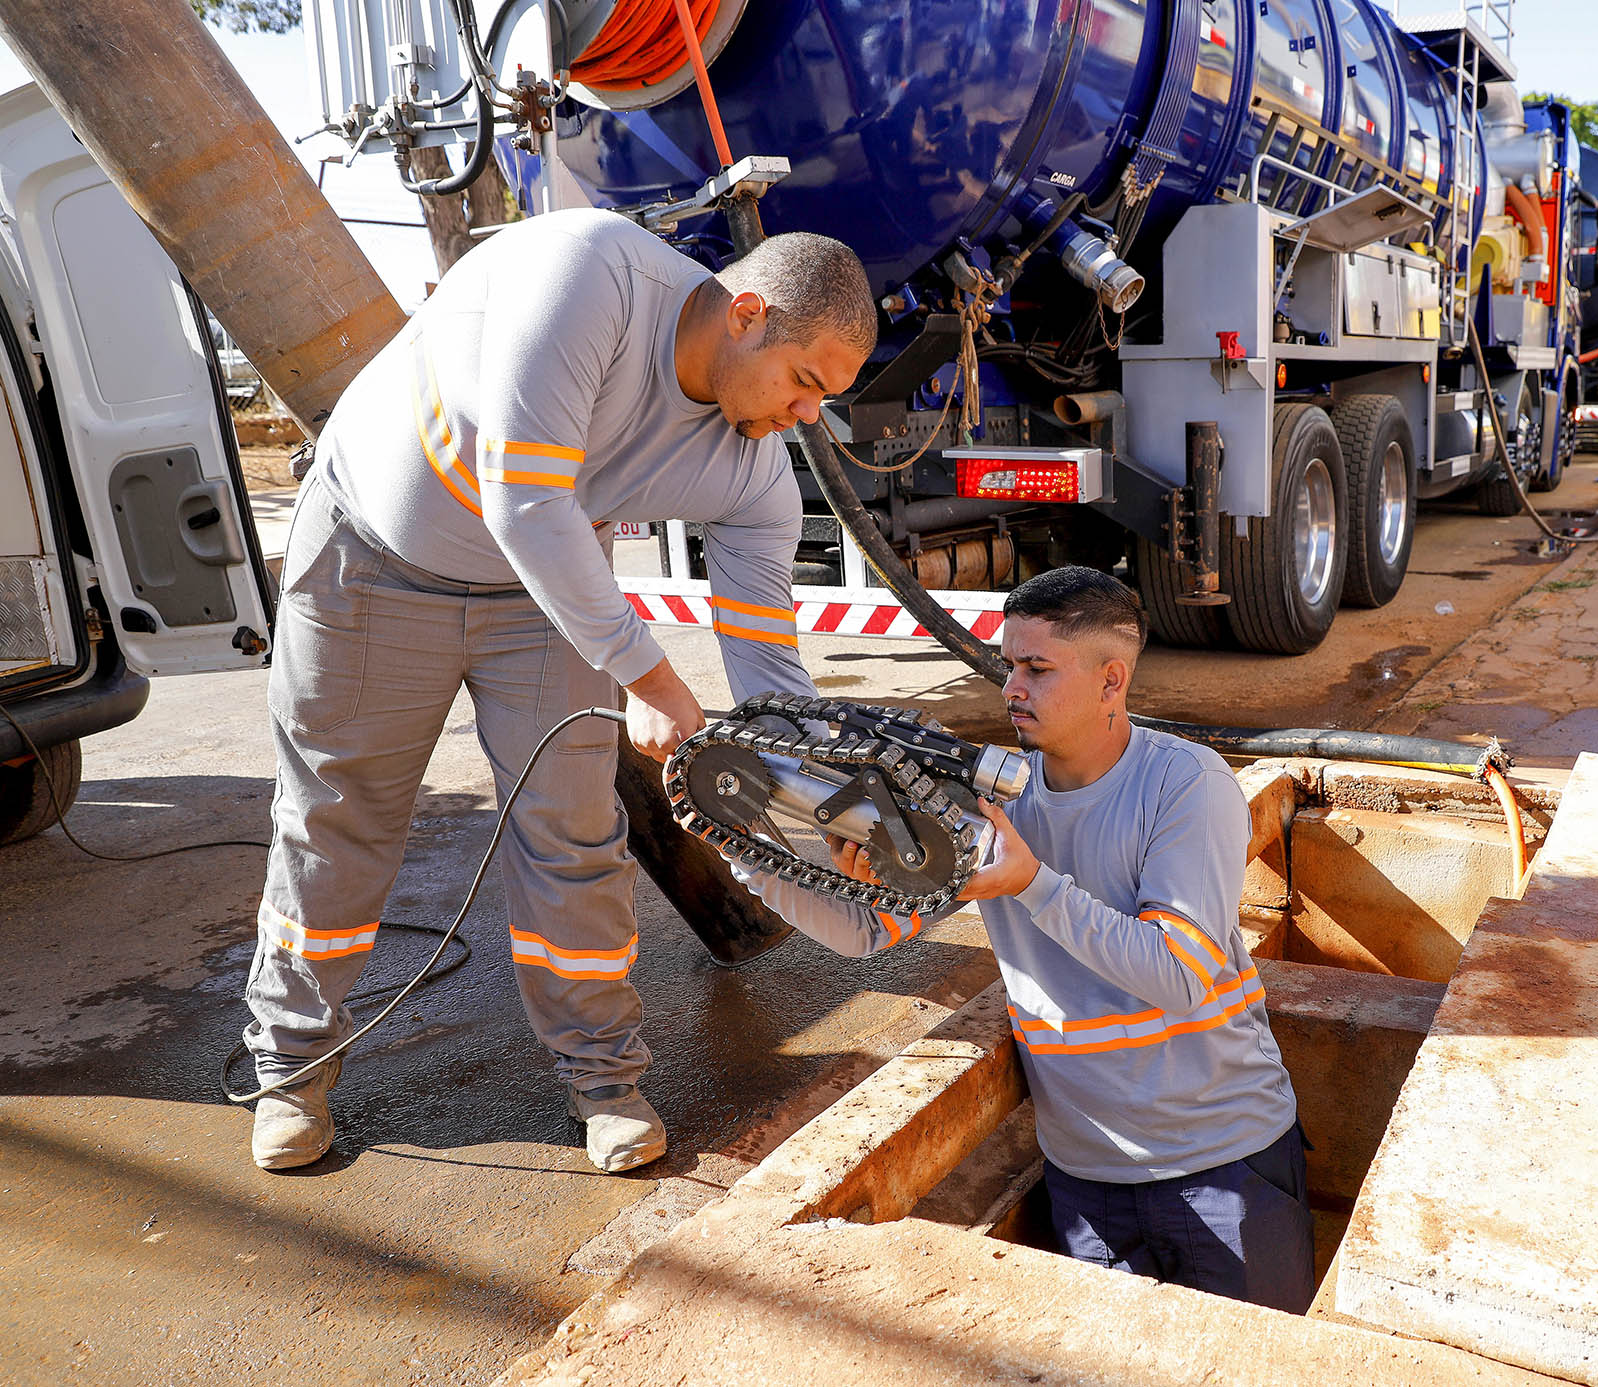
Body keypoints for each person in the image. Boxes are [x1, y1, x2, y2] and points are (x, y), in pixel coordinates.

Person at [243, 208, 876, 1174]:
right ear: (745, 313)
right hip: (373, 562)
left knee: (574, 830)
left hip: (542, 601)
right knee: (340, 818)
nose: (807, 417)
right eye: (804, 382)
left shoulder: (752, 476)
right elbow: (525, 500)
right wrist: (654, 680)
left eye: (823, 399)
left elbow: (768, 677)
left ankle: (604, 1081)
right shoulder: (587, 279)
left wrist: (811, 808)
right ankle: (292, 1069)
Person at [723, 567, 1316, 1311]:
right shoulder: (991, 802)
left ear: (1110, 682)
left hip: (1223, 1162)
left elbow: (1177, 972)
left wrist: (1033, 885)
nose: (1011, 687)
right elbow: (864, 929)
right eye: (1008, 664)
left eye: (1037, 668)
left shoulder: (1184, 784)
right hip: (1086, 1178)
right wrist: (739, 839)